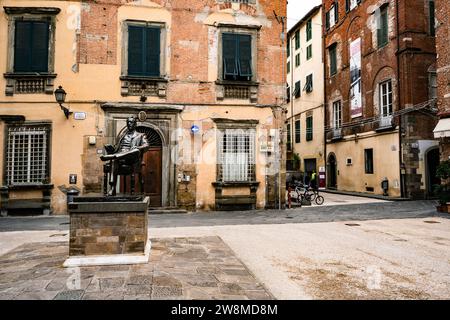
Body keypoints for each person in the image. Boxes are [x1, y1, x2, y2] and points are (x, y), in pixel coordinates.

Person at [100, 116, 150, 196]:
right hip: (120, 157)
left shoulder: (140, 135)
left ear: (135, 124)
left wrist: (138, 147)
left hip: (131, 158)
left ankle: (113, 156)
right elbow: (116, 148)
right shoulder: (122, 135)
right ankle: (113, 189)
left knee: (136, 151)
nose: (129, 124)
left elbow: (147, 146)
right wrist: (110, 148)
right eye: (128, 122)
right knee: (114, 160)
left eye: (131, 122)